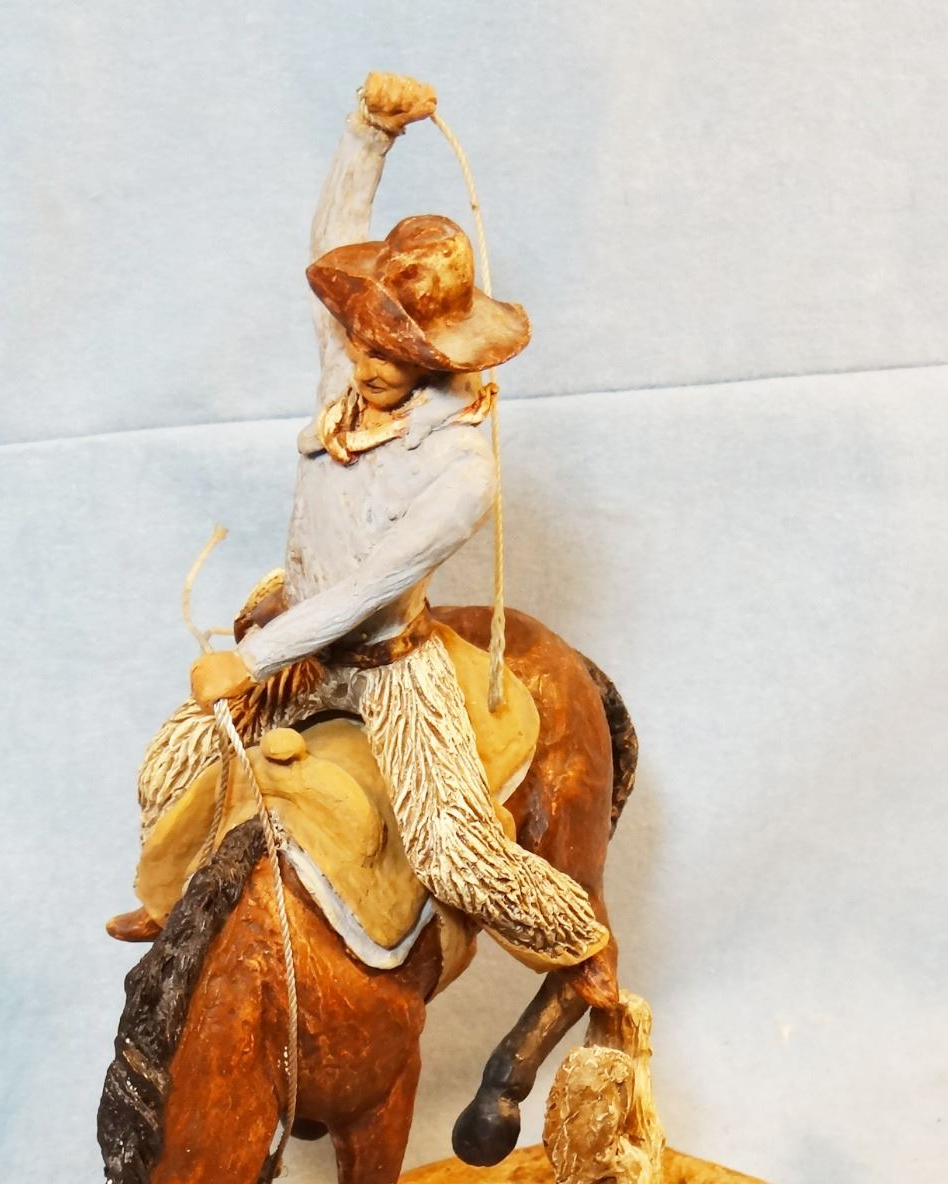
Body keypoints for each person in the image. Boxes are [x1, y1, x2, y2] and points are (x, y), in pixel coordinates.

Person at [109, 70, 608, 971]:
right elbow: (331, 239)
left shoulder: (462, 468)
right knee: (170, 767)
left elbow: (371, 588)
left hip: (383, 663)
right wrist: (370, 132)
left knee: (453, 854)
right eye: (362, 340)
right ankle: (177, 905)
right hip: (299, 630)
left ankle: (580, 949)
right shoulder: (345, 379)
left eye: (395, 352)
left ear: (435, 357)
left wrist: (252, 659)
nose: (367, 364)